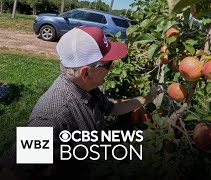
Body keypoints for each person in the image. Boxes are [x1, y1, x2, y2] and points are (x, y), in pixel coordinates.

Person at [0, 26, 161, 179]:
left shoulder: (87, 88)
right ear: (86, 72)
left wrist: (146, 98)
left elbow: (111, 108)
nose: (112, 68)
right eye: (108, 64)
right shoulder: (52, 116)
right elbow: (15, 171)